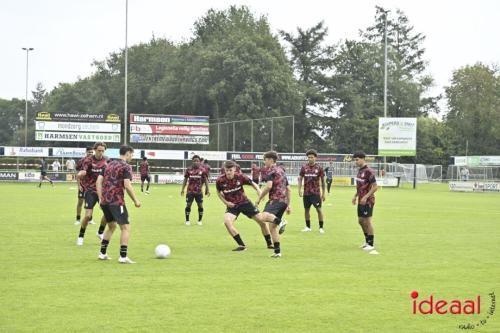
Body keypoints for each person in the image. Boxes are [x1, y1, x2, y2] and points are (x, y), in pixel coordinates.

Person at [96, 145, 141, 264]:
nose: (132, 156)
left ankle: (102, 253)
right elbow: (127, 185)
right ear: (127, 153)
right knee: (125, 228)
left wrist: (101, 198)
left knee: (111, 226)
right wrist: (135, 200)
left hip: (105, 201)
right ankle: (123, 256)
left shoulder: (108, 164)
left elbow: (98, 181)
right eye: (132, 154)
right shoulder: (126, 166)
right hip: (117, 202)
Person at [216, 160, 273, 251]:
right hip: (232, 206)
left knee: (261, 221)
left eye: (230, 170)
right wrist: (226, 203)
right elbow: (218, 193)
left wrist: (258, 191)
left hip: (244, 203)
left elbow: (252, 183)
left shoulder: (240, 177)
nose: (228, 172)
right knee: (227, 222)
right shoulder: (220, 180)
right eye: (226, 170)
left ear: (234, 169)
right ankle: (242, 245)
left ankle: (269, 244)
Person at [255, 152, 291, 258]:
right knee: (272, 228)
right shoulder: (282, 171)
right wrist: (288, 205)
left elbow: (269, 186)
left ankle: (281, 222)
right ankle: (277, 252)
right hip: (283, 202)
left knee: (262, 217)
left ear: (271, 160)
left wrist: (259, 198)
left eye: (265, 159)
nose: (264, 161)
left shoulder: (271, 170)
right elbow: (288, 189)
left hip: (275, 200)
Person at [76, 142, 108, 245]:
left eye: (103, 150)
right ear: (95, 150)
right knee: (88, 216)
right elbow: (84, 171)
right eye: (99, 150)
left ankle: (100, 232)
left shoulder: (106, 160)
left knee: (108, 214)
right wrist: (81, 174)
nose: (101, 152)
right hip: (90, 190)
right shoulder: (88, 160)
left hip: (102, 190)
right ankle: (81, 236)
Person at [352, 151, 379, 255]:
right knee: (360, 221)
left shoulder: (369, 171)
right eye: (355, 160)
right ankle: (367, 240)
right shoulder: (359, 171)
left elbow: (375, 186)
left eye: (357, 159)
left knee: (367, 221)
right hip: (361, 200)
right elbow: (360, 187)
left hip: (368, 201)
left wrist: (366, 197)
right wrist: (355, 196)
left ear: (363, 159)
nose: (356, 161)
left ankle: (371, 244)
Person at [298, 149, 326, 233]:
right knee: (306, 210)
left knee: (319, 209)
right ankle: (308, 227)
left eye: (312, 157)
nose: (310, 159)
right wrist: (299, 189)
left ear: (315, 158)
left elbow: (323, 181)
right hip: (306, 193)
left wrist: (324, 193)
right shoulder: (304, 167)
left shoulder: (319, 168)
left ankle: (321, 227)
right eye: (309, 157)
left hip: (316, 193)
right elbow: (300, 178)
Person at [181, 155, 210, 226]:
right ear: (192, 161)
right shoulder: (189, 169)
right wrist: (182, 189)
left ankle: (199, 220)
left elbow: (206, 179)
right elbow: (185, 179)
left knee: (200, 205)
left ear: (199, 162)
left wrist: (207, 189)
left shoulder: (203, 170)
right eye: (194, 161)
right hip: (190, 191)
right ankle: (187, 220)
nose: (196, 162)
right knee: (188, 205)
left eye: (197, 161)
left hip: (199, 191)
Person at [74, 147, 94, 225]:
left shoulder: (95, 161)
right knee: (80, 202)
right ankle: (78, 219)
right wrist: (79, 186)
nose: (91, 154)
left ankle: (90, 219)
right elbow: (78, 174)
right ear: (86, 152)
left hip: (91, 185)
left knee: (90, 202)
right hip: (82, 185)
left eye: (92, 152)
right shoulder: (81, 161)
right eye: (89, 152)